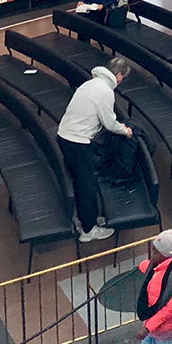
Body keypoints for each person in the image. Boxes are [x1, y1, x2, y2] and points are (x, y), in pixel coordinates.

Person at [57, 56, 134, 241]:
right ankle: (88, 230)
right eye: (123, 77)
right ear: (119, 75)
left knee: (80, 181)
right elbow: (109, 122)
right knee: (87, 186)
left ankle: (86, 217)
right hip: (77, 142)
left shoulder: (89, 84)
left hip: (64, 135)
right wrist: (125, 130)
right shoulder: (105, 92)